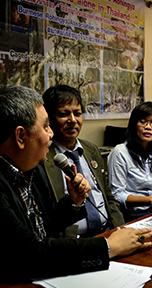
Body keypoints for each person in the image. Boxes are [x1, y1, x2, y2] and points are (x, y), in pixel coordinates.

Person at [0, 86, 152, 288]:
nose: (51, 134)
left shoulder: (24, 164)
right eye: (46, 126)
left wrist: (73, 202)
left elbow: (44, 223)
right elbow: (28, 253)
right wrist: (108, 246)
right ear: (21, 136)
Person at [42, 85, 124, 237]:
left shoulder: (91, 150)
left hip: (109, 232)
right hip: (75, 241)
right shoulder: (43, 158)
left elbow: (108, 197)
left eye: (78, 114)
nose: (73, 120)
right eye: (64, 114)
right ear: (49, 118)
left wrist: (120, 229)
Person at [108, 102, 152, 222]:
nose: (148, 127)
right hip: (130, 215)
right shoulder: (120, 152)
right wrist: (151, 200)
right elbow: (117, 194)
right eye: (143, 122)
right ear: (134, 125)